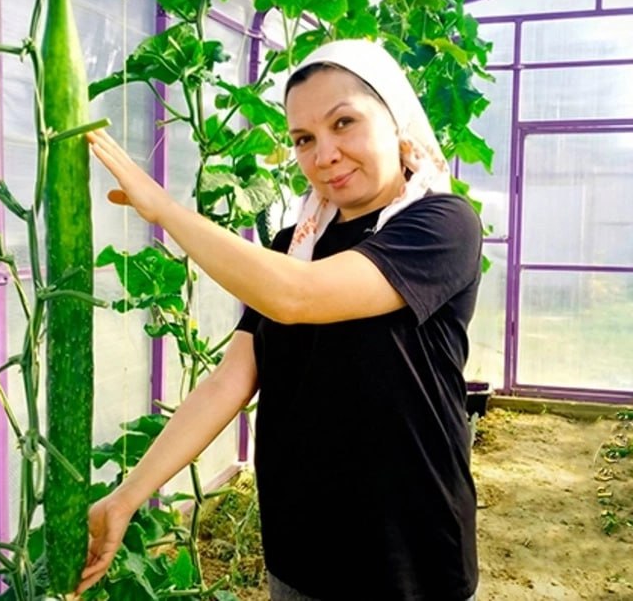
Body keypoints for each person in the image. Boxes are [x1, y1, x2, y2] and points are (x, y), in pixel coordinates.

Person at [78, 39, 482, 601]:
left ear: (395, 122)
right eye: (304, 138)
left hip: (410, 554)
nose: (325, 154)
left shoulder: (441, 223)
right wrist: (126, 497)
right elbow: (229, 381)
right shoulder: (293, 245)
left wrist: (164, 209)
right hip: (301, 547)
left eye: (344, 123)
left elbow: (299, 296)